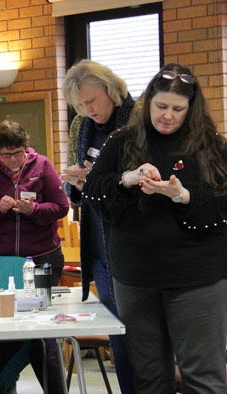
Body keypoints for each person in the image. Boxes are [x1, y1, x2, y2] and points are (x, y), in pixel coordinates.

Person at [82, 63, 227, 393]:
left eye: (178, 109)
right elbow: (92, 191)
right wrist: (126, 179)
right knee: (148, 377)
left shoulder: (212, 146)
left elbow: (223, 203)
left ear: (191, 109)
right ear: (148, 104)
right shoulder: (122, 142)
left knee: (203, 376)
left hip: (198, 280)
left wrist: (182, 195)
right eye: (161, 106)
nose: (168, 116)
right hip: (135, 280)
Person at [0, 119, 69, 394]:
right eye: (6, 154)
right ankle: (6, 385)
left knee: (41, 332)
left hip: (42, 257)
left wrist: (33, 211)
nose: (13, 160)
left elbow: (60, 207)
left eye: (18, 153)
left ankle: (54, 388)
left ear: (26, 147)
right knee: (1, 332)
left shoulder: (42, 166)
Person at [60, 59, 139, 393]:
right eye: (80, 104)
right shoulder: (81, 125)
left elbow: (140, 182)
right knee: (119, 335)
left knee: (139, 337)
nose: (87, 109)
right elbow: (75, 189)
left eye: (91, 100)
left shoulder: (137, 119)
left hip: (132, 245)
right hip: (98, 247)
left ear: (110, 89)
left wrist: (100, 181)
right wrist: (78, 185)